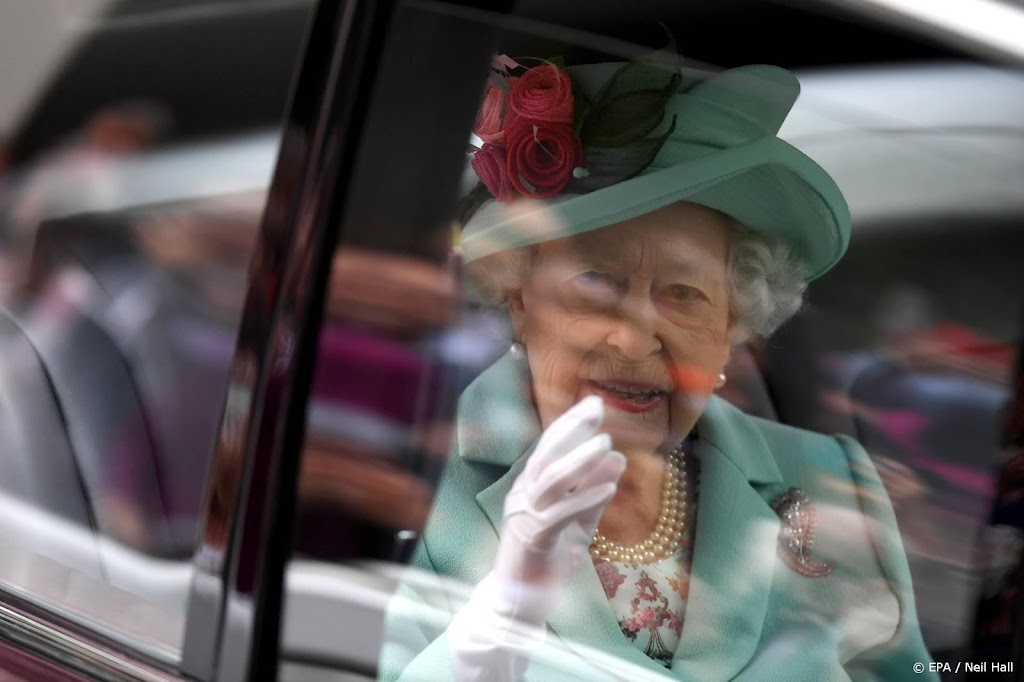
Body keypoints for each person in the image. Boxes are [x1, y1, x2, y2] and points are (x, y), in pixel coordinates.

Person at [379, 54, 936, 681]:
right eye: (597, 282)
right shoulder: (409, 483)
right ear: (519, 297)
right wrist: (498, 626)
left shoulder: (830, 479)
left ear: (733, 325)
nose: (636, 339)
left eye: (684, 293)